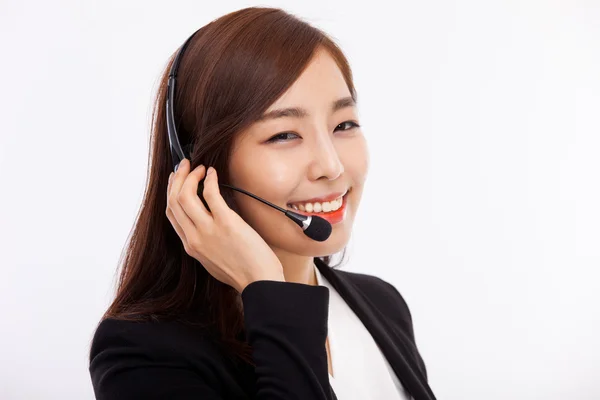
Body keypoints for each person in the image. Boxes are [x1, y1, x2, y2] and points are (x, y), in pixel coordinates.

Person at [88, 6, 436, 400]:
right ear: (201, 166)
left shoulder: (381, 304)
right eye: (285, 134)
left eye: (344, 125)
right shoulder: (146, 352)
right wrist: (267, 290)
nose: (331, 166)